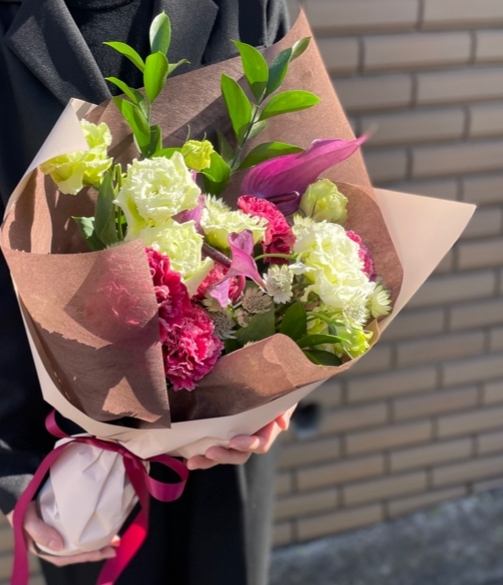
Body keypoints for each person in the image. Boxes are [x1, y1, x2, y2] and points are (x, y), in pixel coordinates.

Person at [0, 1, 294, 583]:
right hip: (67, 448)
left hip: (224, 439)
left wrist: (279, 378)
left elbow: (292, 193)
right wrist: (13, 472)